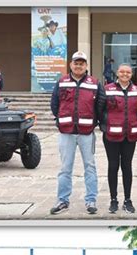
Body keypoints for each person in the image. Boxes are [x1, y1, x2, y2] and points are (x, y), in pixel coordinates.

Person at [50, 51, 105, 215]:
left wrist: (95, 120)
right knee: (65, 168)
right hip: (66, 131)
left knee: (90, 166)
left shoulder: (94, 83)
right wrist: (61, 118)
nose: (79, 65)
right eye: (76, 63)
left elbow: (101, 104)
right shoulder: (62, 82)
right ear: (71, 65)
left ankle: (91, 200)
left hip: (86, 132)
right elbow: (54, 103)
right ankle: (62, 200)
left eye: (82, 63)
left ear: (86, 65)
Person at [101, 64, 137, 214]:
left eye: (128, 72)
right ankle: (113, 199)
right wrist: (107, 125)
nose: (125, 74)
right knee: (113, 166)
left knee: (127, 166)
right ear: (117, 73)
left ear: (131, 74)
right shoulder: (107, 89)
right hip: (111, 135)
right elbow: (100, 109)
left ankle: (127, 199)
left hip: (130, 135)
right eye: (122, 72)